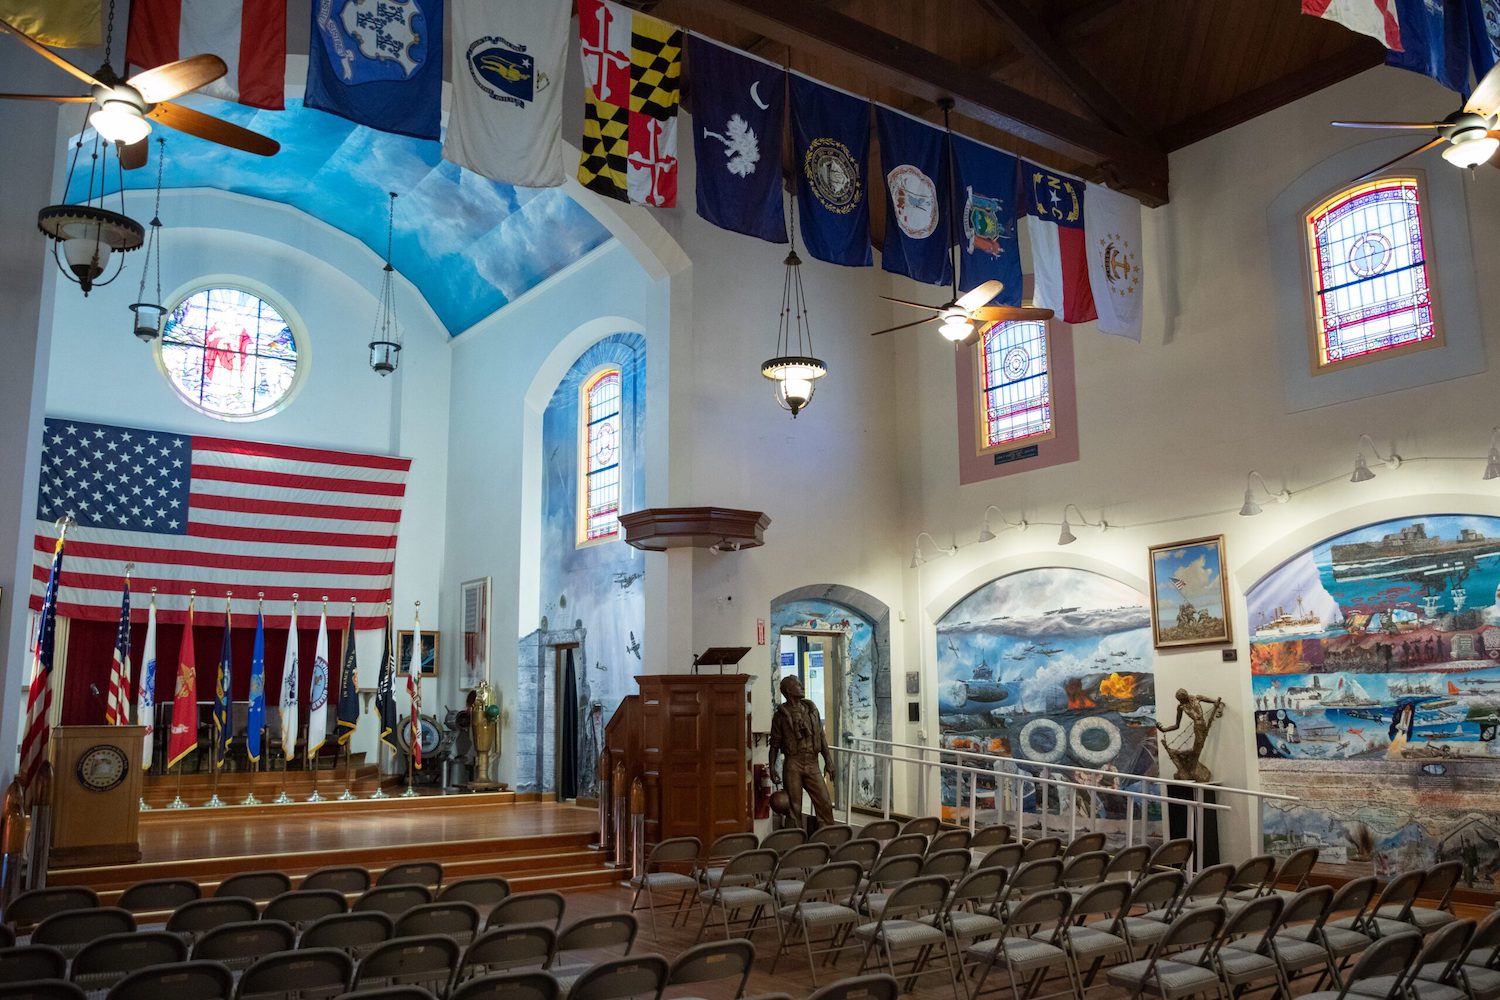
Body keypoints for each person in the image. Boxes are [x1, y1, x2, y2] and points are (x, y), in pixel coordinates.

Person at [768, 675, 835, 830]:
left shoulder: (811, 710)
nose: (802, 686)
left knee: (825, 803)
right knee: (794, 808)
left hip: (812, 762)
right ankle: (796, 843)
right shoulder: (780, 716)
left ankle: (828, 839)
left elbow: (821, 737)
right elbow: (774, 744)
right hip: (793, 763)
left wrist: (829, 762)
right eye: (798, 684)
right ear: (789, 691)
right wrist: (772, 767)